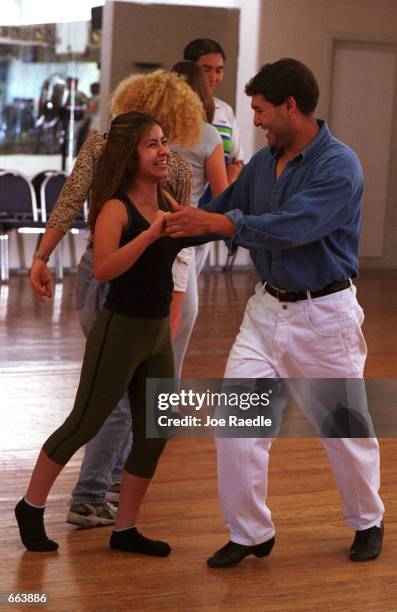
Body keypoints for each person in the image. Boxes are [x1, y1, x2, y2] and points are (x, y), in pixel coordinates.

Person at [165, 58, 384, 566]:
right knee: (236, 428)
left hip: (324, 317)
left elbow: (290, 226)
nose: (255, 121)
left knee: (345, 432)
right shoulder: (265, 161)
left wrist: (221, 226)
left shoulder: (339, 165)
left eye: (261, 111)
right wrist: (168, 227)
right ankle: (249, 532)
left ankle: (367, 521)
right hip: (264, 314)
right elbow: (224, 209)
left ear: (291, 107)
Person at [15, 111, 202, 556]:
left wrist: (198, 223)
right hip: (120, 330)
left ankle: (125, 529)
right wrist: (152, 232)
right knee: (84, 422)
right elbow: (104, 268)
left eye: (163, 142)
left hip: (157, 333)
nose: (163, 151)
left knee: (157, 430)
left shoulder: (168, 200)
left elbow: (186, 245)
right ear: (129, 156)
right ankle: (30, 505)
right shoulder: (114, 208)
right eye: (151, 144)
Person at [170, 60, 228, 376]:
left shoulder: (151, 130)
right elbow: (223, 195)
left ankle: (136, 405)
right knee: (181, 318)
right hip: (182, 236)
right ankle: (163, 404)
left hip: (139, 231)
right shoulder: (207, 134)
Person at [183, 38, 244, 184]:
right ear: (190, 70)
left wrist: (227, 184)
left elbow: (236, 162)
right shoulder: (170, 110)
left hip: (217, 201)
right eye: (206, 70)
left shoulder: (225, 110)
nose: (213, 77)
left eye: (219, 71)